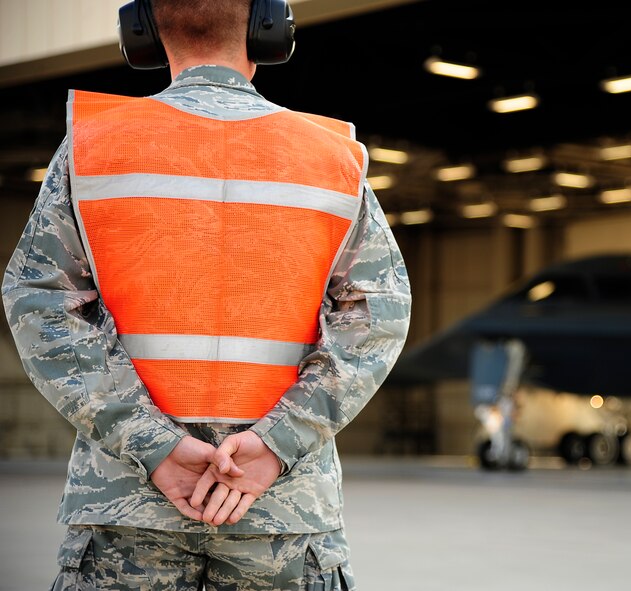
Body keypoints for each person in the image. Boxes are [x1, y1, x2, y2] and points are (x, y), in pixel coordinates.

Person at [2, 0, 411, 588]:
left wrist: (151, 442)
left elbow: (39, 301)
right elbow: (377, 312)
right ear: (268, 26)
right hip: (282, 516)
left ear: (139, 31)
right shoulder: (331, 160)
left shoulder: (93, 151)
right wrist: (276, 444)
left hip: (127, 508)